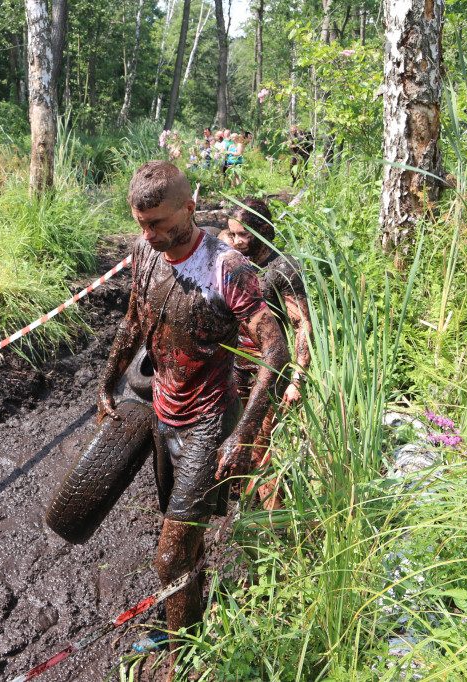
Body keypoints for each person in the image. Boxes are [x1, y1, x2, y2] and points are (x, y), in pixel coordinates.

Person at [98, 162, 289, 679]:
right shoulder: (144, 252)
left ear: (188, 208)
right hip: (164, 415)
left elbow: (276, 348)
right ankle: (193, 617)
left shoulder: (228, 269)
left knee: (168, 554)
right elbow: (136, 317)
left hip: (209, 420)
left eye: (158, 223)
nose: (149, 234)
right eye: (141, 223)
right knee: (185, 538)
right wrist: (109, 380)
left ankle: (185, 659)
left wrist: (245, 434)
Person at [221, 199, 313, 509]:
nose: (235, 241)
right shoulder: (238, 263)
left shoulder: (281, 268)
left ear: (264, 231)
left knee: (260, 451)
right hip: (235, 373)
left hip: (269, 376)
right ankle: (248, 512)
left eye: (242, 235)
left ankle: (274, 531)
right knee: (237, 444)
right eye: (232, 234)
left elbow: (302, 326)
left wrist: (297, 379)